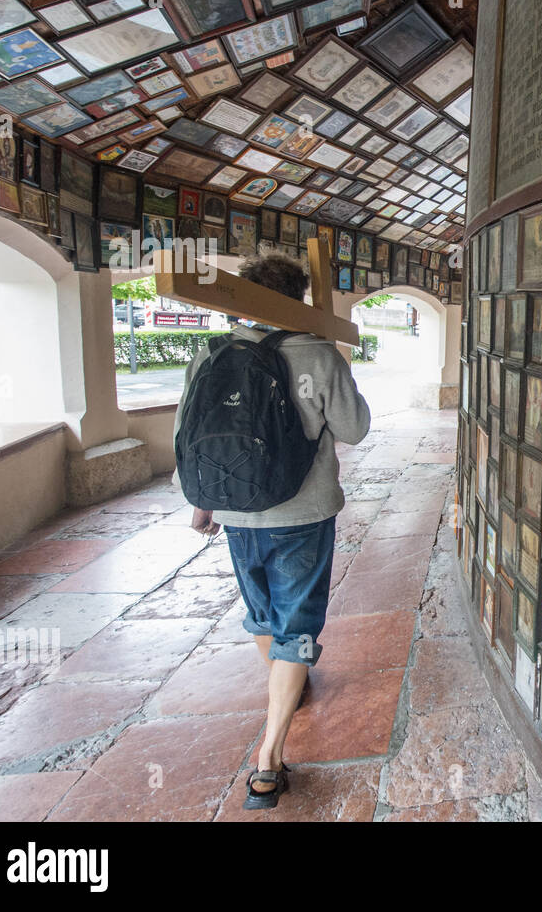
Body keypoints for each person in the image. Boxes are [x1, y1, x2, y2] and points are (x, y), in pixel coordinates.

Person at [175, 251, 370, 810]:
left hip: (234, 514)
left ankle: (288, 681)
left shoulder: (210, 354)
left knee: (261, 611)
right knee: (298, 620)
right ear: (297, 299)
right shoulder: (317, 352)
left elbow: (187, 436)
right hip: (302, 514)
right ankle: (269, 757)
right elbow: (354, 429)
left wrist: (201, 504)